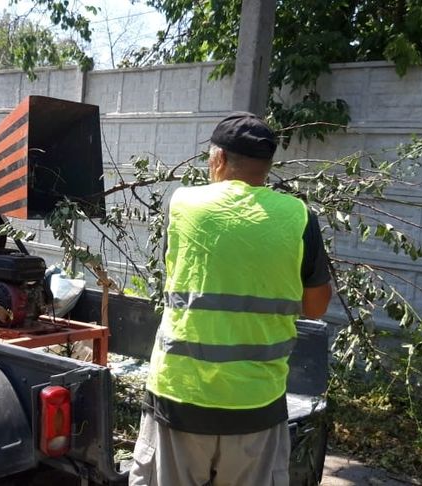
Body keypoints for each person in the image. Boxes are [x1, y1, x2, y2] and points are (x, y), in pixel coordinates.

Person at [129, 112, 332, 486]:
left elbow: (175, 272)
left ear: (219, 158)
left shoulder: (183, 204)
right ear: (267, 167)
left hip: (181, 395)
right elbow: (317, 306)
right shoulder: (299, 217)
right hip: (257, 403)